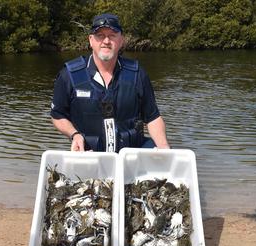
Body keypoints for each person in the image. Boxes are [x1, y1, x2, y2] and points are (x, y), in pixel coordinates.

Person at [50, 13, 170, 152]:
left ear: (121, 41)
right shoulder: (69, 75)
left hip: (131, 159)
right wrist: (75, 135)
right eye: (100, 35)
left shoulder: (137, 74)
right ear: (91, 40)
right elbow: (57, 115)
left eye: (112, 35)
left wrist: (164, 148)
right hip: (88, 158)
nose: (106, 41)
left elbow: (153, 118)